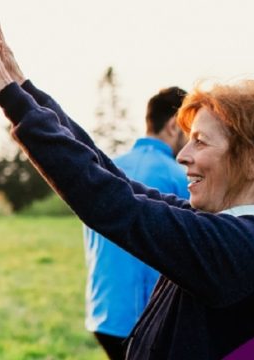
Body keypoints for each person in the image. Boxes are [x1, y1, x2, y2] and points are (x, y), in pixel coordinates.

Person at [0, 0, 254, 359]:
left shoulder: (246, 251)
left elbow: (116, 205)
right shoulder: (245, 236)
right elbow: (116, 181)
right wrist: (28, 95)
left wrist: (13, 101)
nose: (182, 155)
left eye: (201, 142)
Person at [83, 87, 189, 359]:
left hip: (104, 312)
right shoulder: (181, 177)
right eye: (191, 130)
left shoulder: (106, 168)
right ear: (174, 126)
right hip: (147, 317)